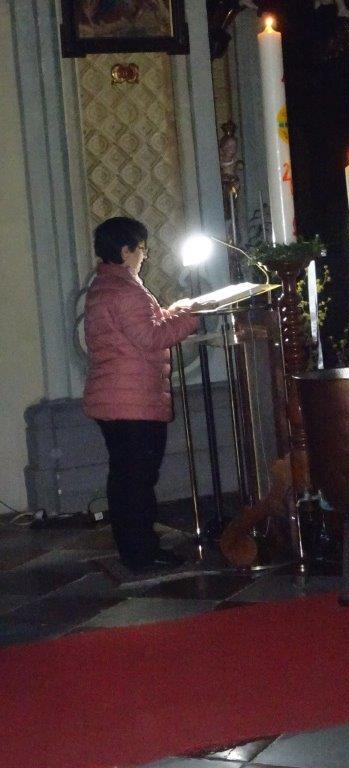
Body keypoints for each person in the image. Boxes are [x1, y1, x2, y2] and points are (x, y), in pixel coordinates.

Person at [83, 216, 201, 572]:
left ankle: (132, 548)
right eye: (141, 249)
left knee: (124, 478)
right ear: (125, 251)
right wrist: (191, 316)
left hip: (114, 399)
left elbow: (140, 326)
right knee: (137, 481)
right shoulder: (126, 290)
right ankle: (142, 553)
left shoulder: (104, 286)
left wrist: (174, 311)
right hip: (133, 401)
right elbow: (151, 338)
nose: (145, 256)